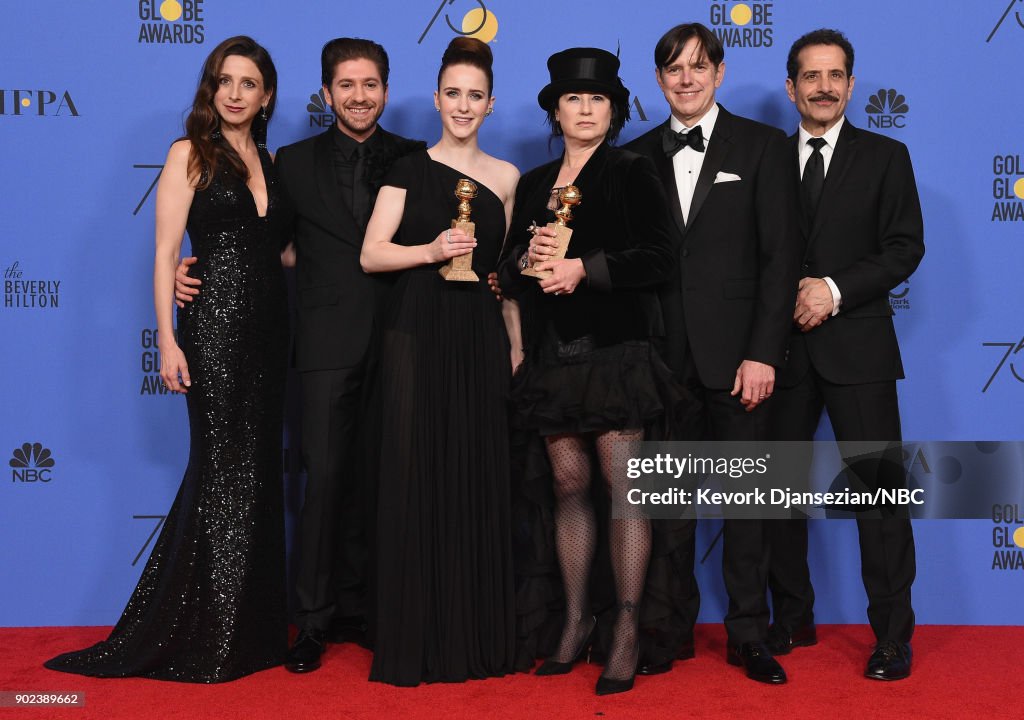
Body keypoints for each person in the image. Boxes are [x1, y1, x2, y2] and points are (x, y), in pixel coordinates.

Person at [175, 38, 425, 673]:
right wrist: (195, 264)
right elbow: (265, 242)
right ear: (325, 94)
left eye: (371, 84)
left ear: (386, 92)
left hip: (402, 341)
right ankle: (312, 622)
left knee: (388, 481)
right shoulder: (289, 161)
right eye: (346, 85)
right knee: (322, 483)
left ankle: (377, 613)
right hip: (320, 344)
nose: (359, 96)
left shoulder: (416, 158)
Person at [45, 36, 288, 682]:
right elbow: (163, 251)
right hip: (212, 330)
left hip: (271, 335)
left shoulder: (271, 160)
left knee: (257, 473)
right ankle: (205, 632)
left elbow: (275, 250)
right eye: (224, 81)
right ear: (211, 90)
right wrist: (167, 338)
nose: (234, 94)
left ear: (266, 96)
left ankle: (251, 631)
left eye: (248, 83)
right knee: (220, 472)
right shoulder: (190, 153)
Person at [497, 47, 679, 696]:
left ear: (614, 109)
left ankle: (626, 627)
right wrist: (526, 260)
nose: (584, 109)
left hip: (616, 348)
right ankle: (575, 620)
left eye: (597, 98)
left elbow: (659, 255)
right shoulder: (536, 178)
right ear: (554, 108)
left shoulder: (632, 171)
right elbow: (514, 257)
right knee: (568, 485)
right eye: (572, 98)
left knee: (622, 486)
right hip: (555, 355)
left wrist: (585, 268)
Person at [623, 23, 801, 684]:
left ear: (720, 72)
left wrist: (763, 354)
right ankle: (666, 633)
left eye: (699, 66)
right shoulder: (634, 156)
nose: (687, 78)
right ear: (659, 78)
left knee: (748, 507)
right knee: (667, 510)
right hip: (664, 364)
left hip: (740, 363)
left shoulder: (763, 147)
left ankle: (750, 636)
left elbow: (781, 260)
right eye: (674, 68)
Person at [359, 37, 521, 687]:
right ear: (435, 98)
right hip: (414, 332)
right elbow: (372, 255)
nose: (462, 105)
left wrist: (516, 343)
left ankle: (473, 635)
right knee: (414, 476)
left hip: (479, 337)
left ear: (490, 104)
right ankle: (414, 640)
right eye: (451, 93)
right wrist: (430, 248)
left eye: (474, 95)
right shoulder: (404, 169)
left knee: (476, 475)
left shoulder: (508, 178)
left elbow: (505, 277)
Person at [765, 28, 923, 681]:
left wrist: (830, 291)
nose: (824, 87)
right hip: (779, 351)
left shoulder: (886, 156)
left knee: (880, 499)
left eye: (835, 76)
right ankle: (793, 616)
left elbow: (903, 247)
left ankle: (891, 637)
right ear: (791, 87)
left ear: (851, 85)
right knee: (776, 493)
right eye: (811, 76)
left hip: (858, 346)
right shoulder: (766, 158)